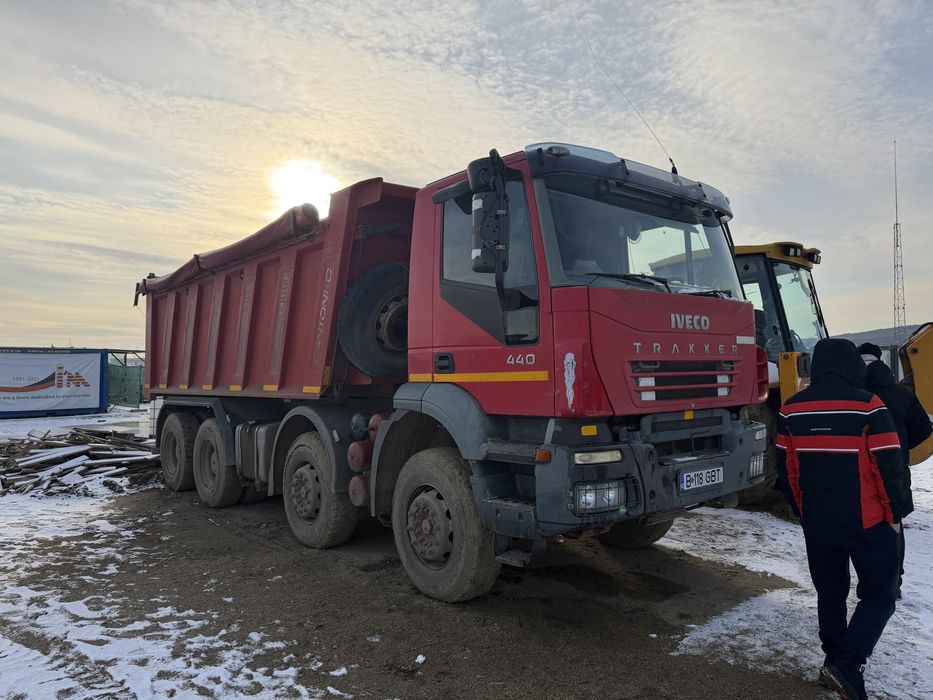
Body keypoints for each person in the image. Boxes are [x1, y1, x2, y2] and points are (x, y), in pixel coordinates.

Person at [775, 338, 906, 700]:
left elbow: (787, 471)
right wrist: (894, 515)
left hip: (819, 524)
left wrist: (803, 510)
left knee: (830, 595)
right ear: (854, 366)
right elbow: (888, 466)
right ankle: (846, 667)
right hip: (870, 524)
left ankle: (834, 663)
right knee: (880, 596)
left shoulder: (791, 410)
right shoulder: (869, 406)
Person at [857, 342, 933, 598]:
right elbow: (924, 430)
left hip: (859, 473)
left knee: (862, 525)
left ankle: (866, 581)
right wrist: (900, 449)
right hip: (896, 471)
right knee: (893, 525)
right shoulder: (902, 394)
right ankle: (893, 582)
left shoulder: (854, 394)